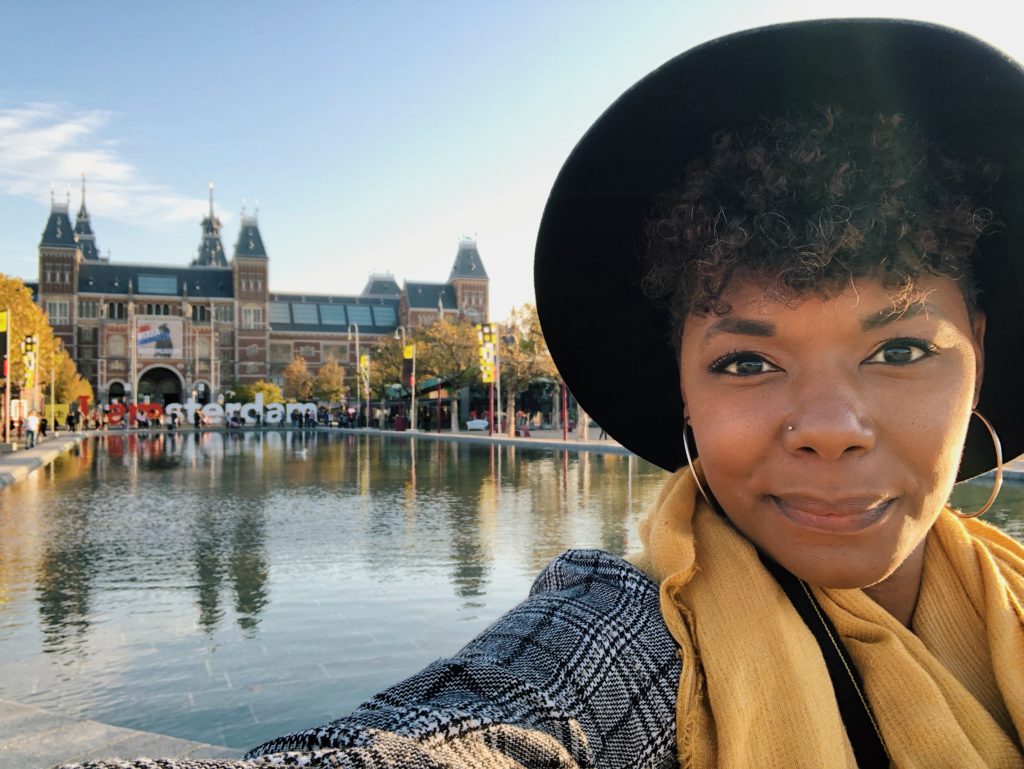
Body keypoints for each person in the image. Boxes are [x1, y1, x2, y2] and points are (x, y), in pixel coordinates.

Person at [62, 20, 1023, 769]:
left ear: (977, 350)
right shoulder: (636, 645)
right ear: (680, 383)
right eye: (746, 361)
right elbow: (480, 726)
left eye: (898, 348)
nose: (827, 428)